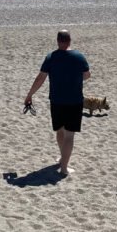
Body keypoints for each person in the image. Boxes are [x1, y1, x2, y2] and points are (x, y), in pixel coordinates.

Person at [24, 29, 91, 176]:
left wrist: (29, 95)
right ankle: (64, 168)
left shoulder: (51, 57)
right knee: (69, 135)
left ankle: (62, 160)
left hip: (56, 101)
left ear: (58, 41)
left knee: (60, 130)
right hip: (74, 101)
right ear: (69, 40)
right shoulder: (79, 56)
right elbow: (86, 75)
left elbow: (40, 78)